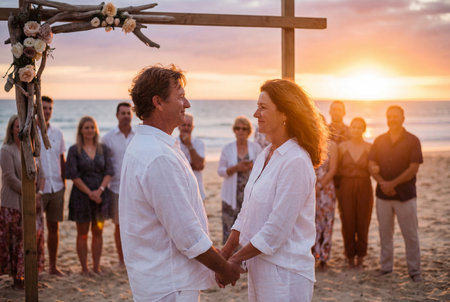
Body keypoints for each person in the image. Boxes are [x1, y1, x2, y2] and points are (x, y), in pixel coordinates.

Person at [119, 65, 242, 301]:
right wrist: (223, 268)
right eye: (181, 97)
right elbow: (187, 235)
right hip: (170, 284)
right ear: (158, 102)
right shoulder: (158, 156)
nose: (187, 104)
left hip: (156, 279)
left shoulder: (144, 146)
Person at [220, 79, 328, 302]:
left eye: (263, 107)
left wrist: (235, 261)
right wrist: (226, 252)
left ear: (285, 114)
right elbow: (246, 211)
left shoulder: (296, 160)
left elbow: (276, 229)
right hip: (260, 266)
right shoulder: (265, 154)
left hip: (285, 273)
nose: (255, 113)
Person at [368, 105, 423, 282]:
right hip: (383, 196)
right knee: (385, 233)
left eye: (396, 116)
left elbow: (414, 168)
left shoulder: (413, 140)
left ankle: (414, 271)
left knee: (411, 235)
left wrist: (392, 183)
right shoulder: (379, 140)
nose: (392, 119)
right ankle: (386, 268)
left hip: (405, 195)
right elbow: (371, 164)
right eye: (389, 116)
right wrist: (382, 182)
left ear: (403, 118)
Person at [0, 115, 46, 289]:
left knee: (34, 238)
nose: (20, 129)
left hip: (34, 201)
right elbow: (9, 178)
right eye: (17, 126)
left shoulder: (32, 148)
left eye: (23, 126)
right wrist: (30, 195)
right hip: (14, 203)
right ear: (12, 129)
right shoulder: (6, 150)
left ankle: (30, 275)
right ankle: (17, 279)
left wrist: (39, 194)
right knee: (17, 240)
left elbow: (41, 174)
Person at [65, 116, 113, 275]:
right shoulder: (73, 150)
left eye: (92, 127)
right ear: (80, 130)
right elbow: (73, 174)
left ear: (96, 130)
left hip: (100, 196)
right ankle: (84, 268)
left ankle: (96, 267)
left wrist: (99, 191)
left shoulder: (103, 149)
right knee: (83, 233)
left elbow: (109, 172)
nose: (90, 130)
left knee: (98, 232)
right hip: (81, 197)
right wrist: (90, 193)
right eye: (86, 127)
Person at [218, 116, 261, 244]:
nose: (240, 131)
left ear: (249, 131)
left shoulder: (256, 148)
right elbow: (220, 171)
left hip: (249, 195)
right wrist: (236, 168)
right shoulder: (227, 148)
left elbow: (263, 170)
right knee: (229, 229)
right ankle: (228, 260)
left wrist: (252, 167)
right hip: (231, 195)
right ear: (234, 130)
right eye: (237, 128)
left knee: (248, 229)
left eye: (244, 128)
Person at [102, 102, 135, 267]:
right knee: (119, 226)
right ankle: (122, 260)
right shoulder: (108, 138)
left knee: (137, 225)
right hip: (116, 188)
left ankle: (134, 258)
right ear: (117, 116)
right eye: (123, 113)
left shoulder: (138, 136)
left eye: (129, 113)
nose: (126, 116)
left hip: (137, 189)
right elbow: (104, 164)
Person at [338, 117, 373, 269]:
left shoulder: (370, 147)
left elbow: (374, 168)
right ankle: (350, 255)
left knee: (363, 222)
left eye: (359, 127)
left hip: (365, 186)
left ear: (364, 129)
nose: (356, 130)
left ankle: (361, 256)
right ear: (350, 129)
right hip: (346, 186)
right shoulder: (342, 147)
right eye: (354, 127)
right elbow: (337, 170)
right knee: (348, 222)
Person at [38, 95, 66, 276]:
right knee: (36, 230)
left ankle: (53, 266)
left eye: (49, 108)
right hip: (38, 189)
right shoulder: (32, 132)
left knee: (54, 228)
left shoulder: (58, 133)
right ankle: (36, 267)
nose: (47, 111)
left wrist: (63, 183)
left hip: (57, 187)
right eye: (44, 108)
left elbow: (61, 159)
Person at [312, 117, 338, 271]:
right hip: (309, 188)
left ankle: (324, 258)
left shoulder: (332, 145)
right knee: (310, 223)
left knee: (326, 222)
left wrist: (320, 185)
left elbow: (333, 169)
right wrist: (311, 186)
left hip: (326, 188)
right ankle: (311, 255)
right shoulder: (306, 144)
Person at [177, 113, 206, 200]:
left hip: (197, 190)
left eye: (189, 125)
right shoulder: (172, 143)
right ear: (178, 126)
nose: (186, 128)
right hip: (179, 190)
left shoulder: (199, 143)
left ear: (192, 127)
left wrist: (189, 145)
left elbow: (199, 165)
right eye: (184, 125)